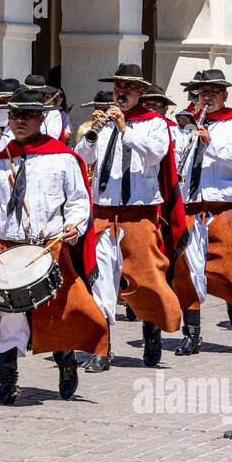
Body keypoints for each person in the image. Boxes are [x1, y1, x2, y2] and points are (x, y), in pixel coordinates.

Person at [0, 88, 103, 406]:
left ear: (40, 119)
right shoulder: (1, 161)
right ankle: (6, 383)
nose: (19, 121)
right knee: (8, 318)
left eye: (27, 115)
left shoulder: (63, 157)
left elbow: (77, 200)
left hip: (49, 245)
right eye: (15, 115)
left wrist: (75, 225)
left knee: (55, 315)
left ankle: (66, 361)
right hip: (10, 247)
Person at [75, 65, 186, 371]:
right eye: (117, 87)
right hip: (103, 213)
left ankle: (151, 335)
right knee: (100, 282)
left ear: (140, 92)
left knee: (146, 279)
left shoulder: (155, 124)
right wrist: (92, 135)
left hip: (139, 214)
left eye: (127, 87)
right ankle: (101, 348)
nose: (120, 92)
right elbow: (81, 159)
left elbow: (156, 155)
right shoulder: (104, 123)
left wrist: (125, 129)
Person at [172, 70, 232, 355]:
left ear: (224, 94)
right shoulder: (185, 122)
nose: (207, 96)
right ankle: (193, 333)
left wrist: (212, 144)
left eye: (213, 91)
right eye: (202, 92)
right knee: (187, 271)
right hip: (191, 204)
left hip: (224, 206)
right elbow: (175, 156)